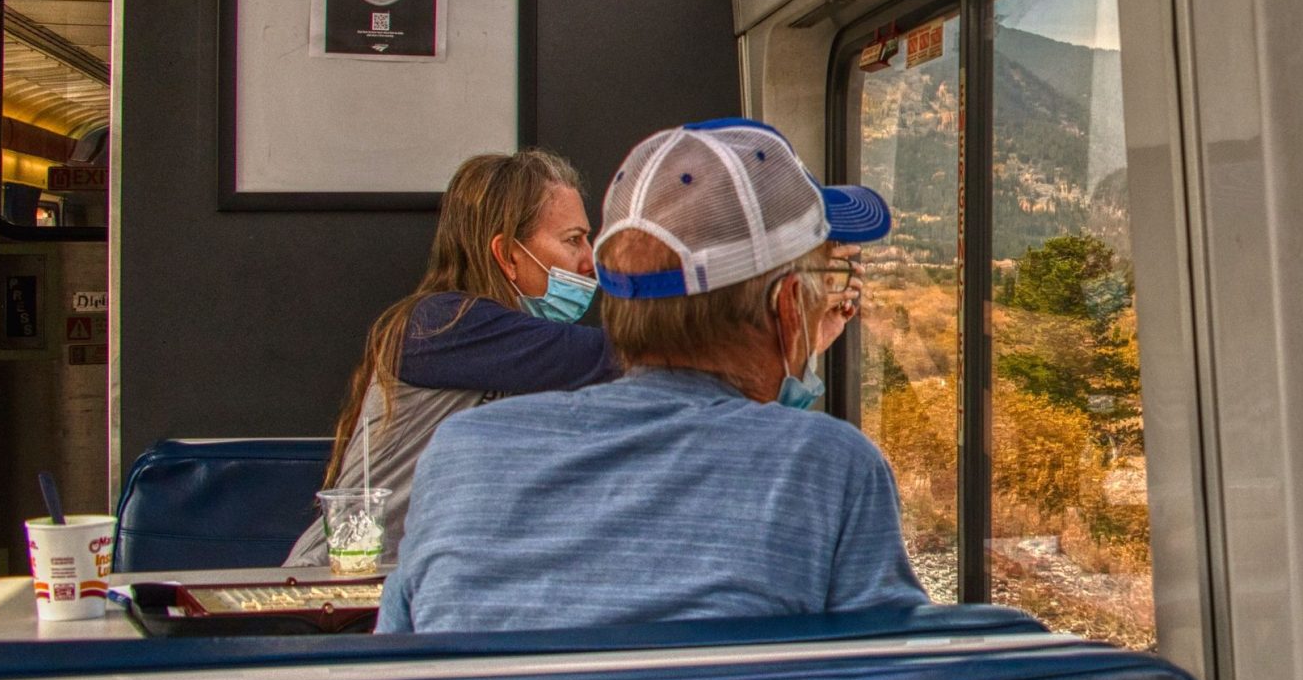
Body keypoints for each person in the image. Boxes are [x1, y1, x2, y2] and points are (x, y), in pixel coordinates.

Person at [375, 119, 921, 633]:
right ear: (784, 306)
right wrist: (792, 349)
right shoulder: (833, 466)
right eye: (825, 276)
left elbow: (395, 665)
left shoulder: (460, 454)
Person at [287, 148, 618, 567]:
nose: (591, 260)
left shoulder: (511, 349)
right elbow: (605, 356)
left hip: (410, 590)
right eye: (573, 240)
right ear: (508, 255)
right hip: (329, 596)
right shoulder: (441, 324)